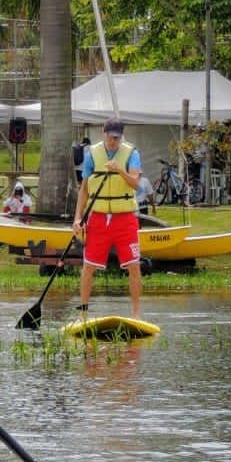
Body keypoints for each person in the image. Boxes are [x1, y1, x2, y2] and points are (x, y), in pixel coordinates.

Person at [72, 117, 144, 319]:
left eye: (117, 138)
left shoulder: (132, 153)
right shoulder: (92, 154)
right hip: (99, 217)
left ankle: (136, 314)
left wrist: (120, 170)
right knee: (88, 266)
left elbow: (136, 184)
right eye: (111, 137)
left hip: (125, 217)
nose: (113, 142)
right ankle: (84, 313)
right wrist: (78, 218)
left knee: (134, 265)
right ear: (103, 133)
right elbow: (84, 190)